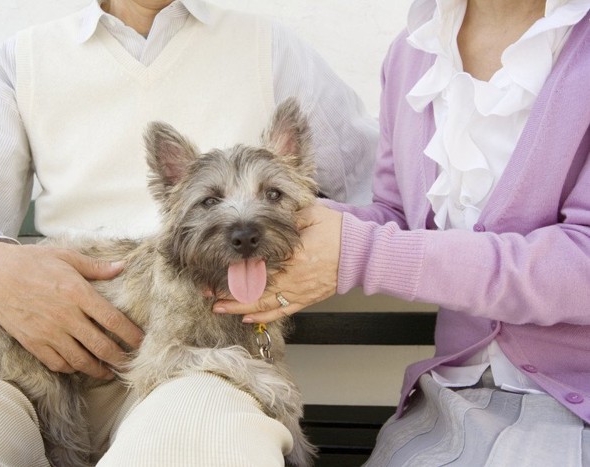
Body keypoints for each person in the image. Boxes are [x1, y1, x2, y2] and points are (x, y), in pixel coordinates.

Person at [0, 0, 378, 465]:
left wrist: (318, 251)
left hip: (204, 360)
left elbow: (376, 195)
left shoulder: (271, 47)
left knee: (199, 444)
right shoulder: (20, 61)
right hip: (20, 354)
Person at [216, 0, 590, 464]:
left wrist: (361, 254)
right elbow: (397, 216)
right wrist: (290, 225)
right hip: (451, 401)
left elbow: (582, 266)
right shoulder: (413, 52)